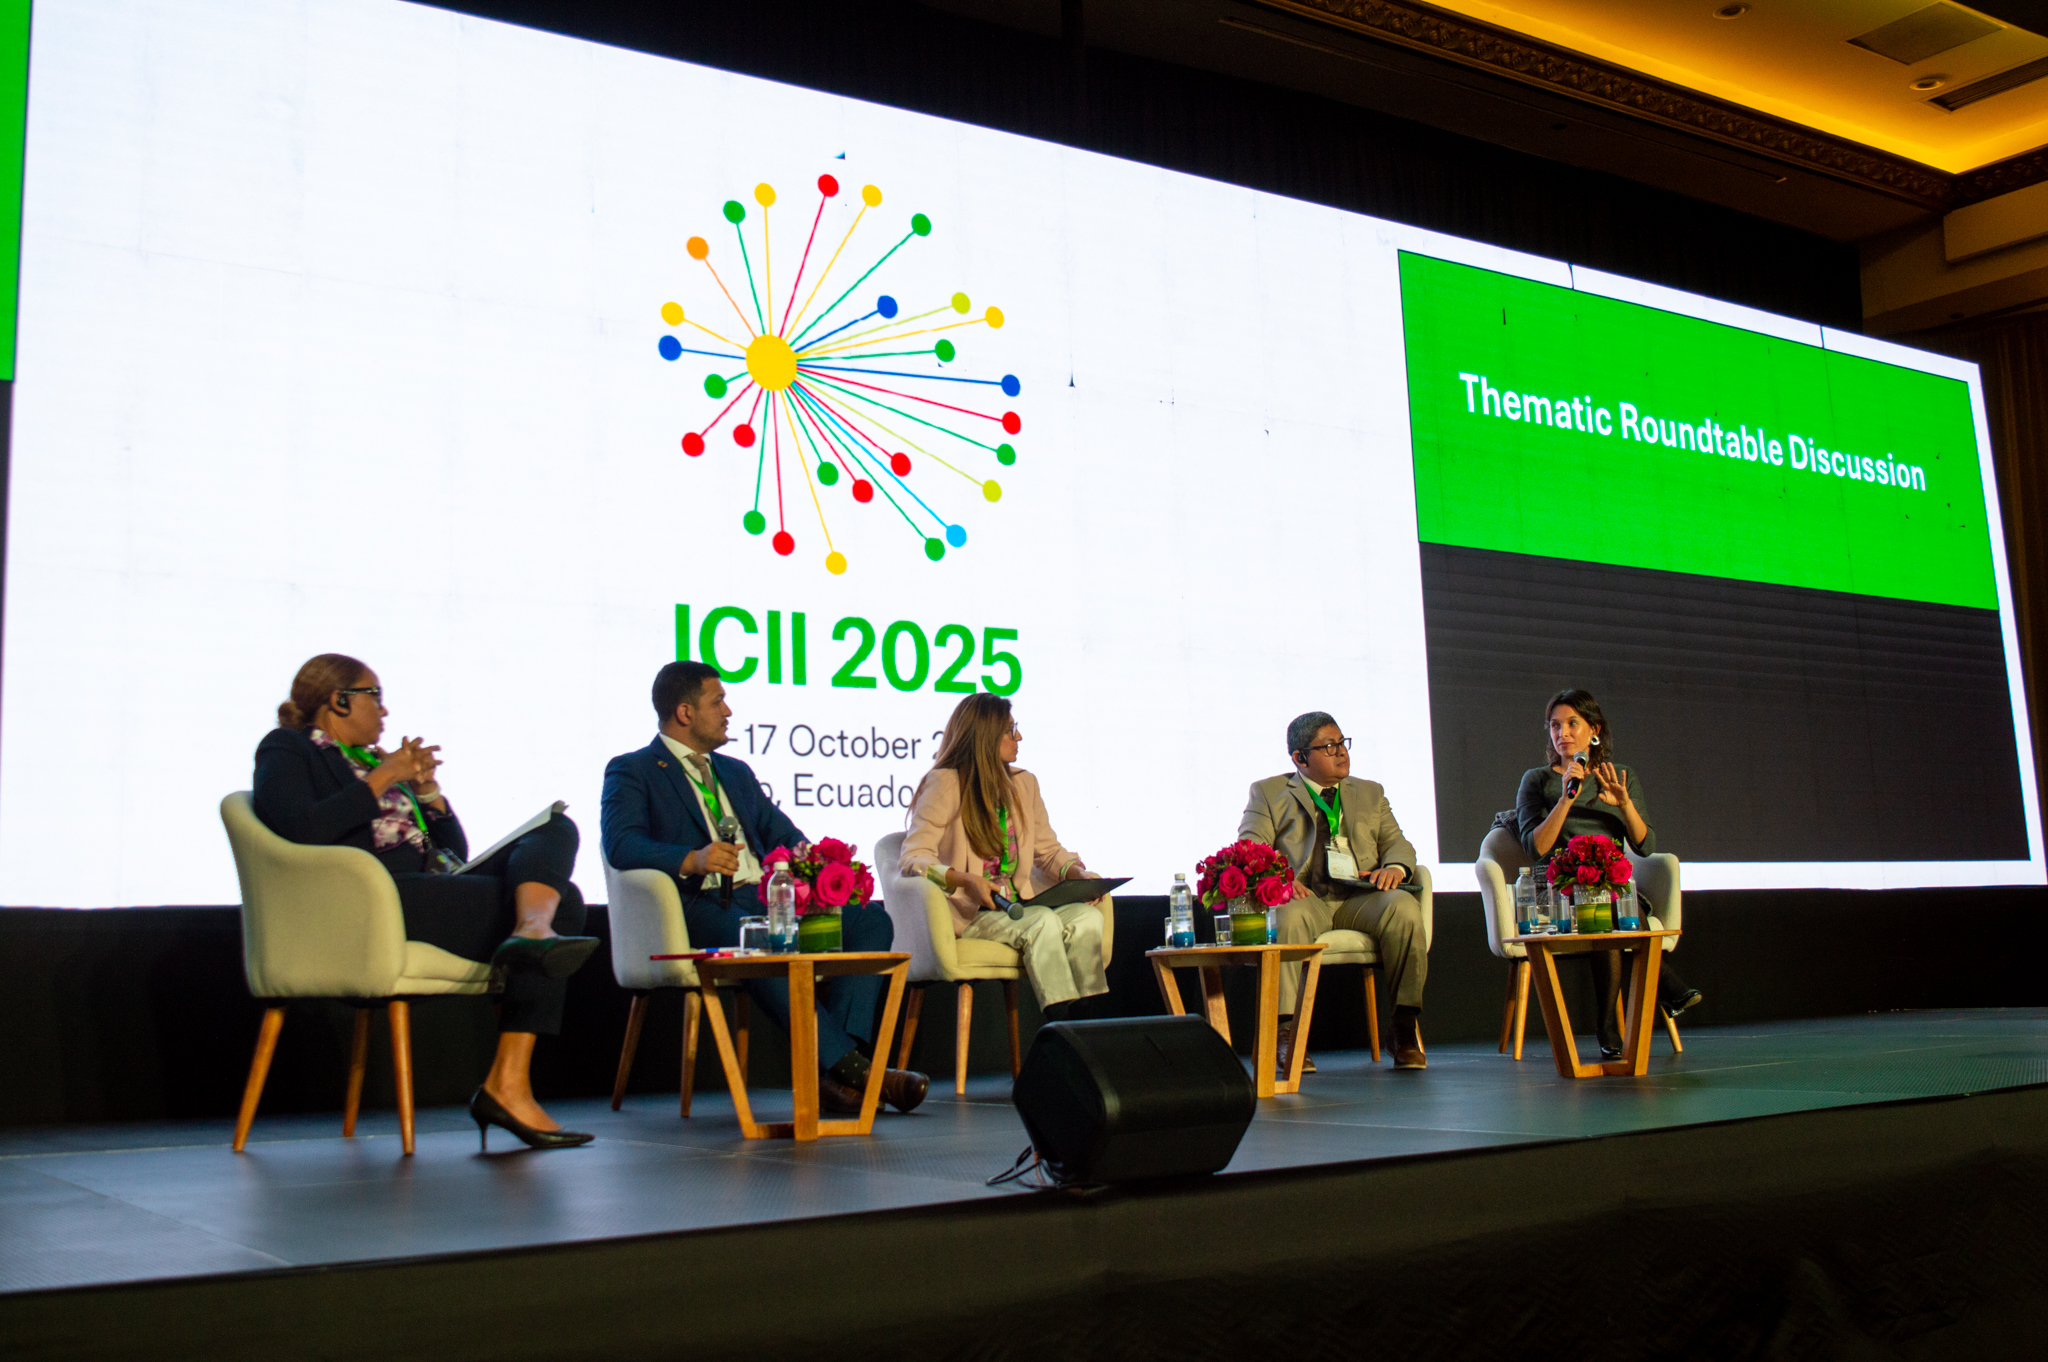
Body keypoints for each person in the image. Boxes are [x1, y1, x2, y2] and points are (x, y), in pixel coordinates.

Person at [252, 653, 598, 1151]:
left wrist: (427, 792)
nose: (385, 713)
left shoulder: (372, 762)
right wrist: (383, 778)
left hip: (426, 884)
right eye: (376, 697)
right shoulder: (288, 748)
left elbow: (451, 848)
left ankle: (531, 934)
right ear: (339, 700)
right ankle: (510, 1077)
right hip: (370, 899)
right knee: (565, 901)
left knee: (554, 830)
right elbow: (299, 829)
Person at [601, 661, 928, 1114]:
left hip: (769, 897)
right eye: (718, 702)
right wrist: (690, 859)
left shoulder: (735, 772)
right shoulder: (634, 770)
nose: (729, 711)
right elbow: (621, 843)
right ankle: (859, 1074)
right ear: (684, 712)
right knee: (762, 940)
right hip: (704, 902)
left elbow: (786, 836)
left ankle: (838, 1070)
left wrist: (824, 870)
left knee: (869, 921)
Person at [1515, 687, 1701, 1059]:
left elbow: (1646, 846)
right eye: (1554, 725)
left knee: (1604, 900)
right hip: (1555, 889)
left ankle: (1607, 1026)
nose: (1561, 733)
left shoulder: (1620, 776)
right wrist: (1567, 796)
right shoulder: (1536, 780)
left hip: (1610, 888)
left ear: (1594, 729)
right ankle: (1663, 989)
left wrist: (1624, 804)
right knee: (1605, 905)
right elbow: (1534, 847)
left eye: (1572, 724)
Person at [898, 693, 1110, 1019]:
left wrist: (1076, 875)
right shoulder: (945, 783)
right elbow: (913, 857)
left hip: (1020, 905)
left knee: (1087, 918)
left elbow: (1047, 850)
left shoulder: (1024, 784)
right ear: (984, 737)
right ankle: (1058, 1032)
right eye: (1010, 730)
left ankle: (1087, 1026)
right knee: (1041, 922)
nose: (1019, 738)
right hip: (972, 913)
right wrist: (964, 879)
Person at [1239, 711, 1428, 1070]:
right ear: (1300, 758)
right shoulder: (1269, 792)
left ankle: (1404, 1028)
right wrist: (1279, 876)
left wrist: (1395, 867)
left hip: (1358, 897)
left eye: (1342, 743)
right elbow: (1251, 847)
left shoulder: (1370, 793)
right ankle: (1287, 1035)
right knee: (1288, 917)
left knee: (1403, 908)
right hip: (1307, 897)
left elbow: (1399, 845)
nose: (1341, 752)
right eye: (1329, 746)